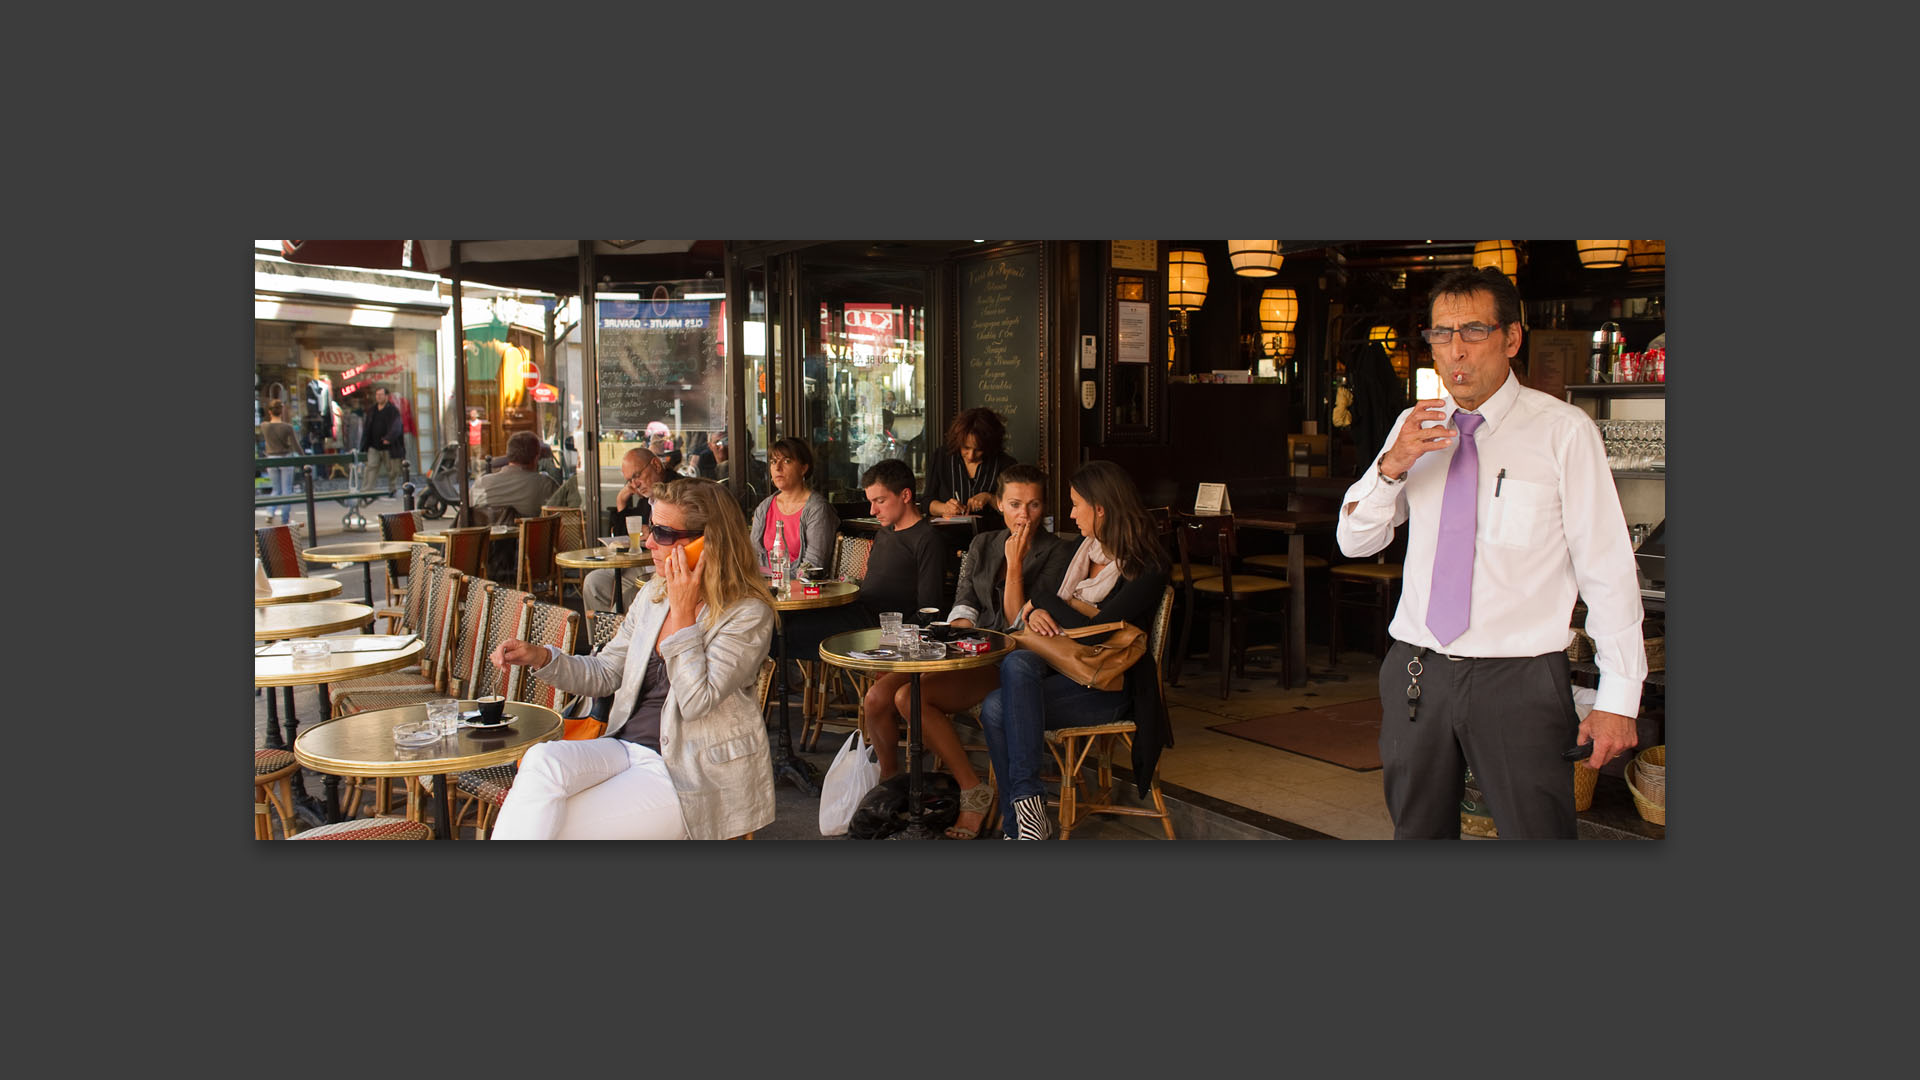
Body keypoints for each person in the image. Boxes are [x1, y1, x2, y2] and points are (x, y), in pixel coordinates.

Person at [1336, 267, 1645, 840]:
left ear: (1511, 338)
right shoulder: (1413, 426)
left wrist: (1619, 698)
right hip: (1417, 671)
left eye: (1473, 331)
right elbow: (1356, 542)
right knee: (1417, 835)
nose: (1455, 351)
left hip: (1521, 680)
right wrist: (1390, 467)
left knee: (1538, 836)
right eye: (1441, 333)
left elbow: (1607, 570)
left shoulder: (1564, 432)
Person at [486, 478, 778, 839]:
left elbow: (696, 701)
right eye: (651, 527)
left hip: (688, 772)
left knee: (554, 827)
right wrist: (543, 657)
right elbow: (606, 673)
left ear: (708, 542)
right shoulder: (654, 594)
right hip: (624, 746)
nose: (650, 541)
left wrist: (685, 617)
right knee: (542, 761)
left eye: (664, 533)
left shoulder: (747, 614)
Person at [866, 463, 1073, 839]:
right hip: (967, 648)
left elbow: (1021, 622)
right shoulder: (983, 543)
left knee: (909, 697)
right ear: (999, 503)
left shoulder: (1058, 551)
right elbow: (964, 600)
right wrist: (959, 637)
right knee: (877, 696)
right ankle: (891, 787)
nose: (1024, 515)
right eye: (1014, 504)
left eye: (1034, 505)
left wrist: (1015, 563)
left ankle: (971, 789)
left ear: (1045, 506)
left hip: (1011, 658)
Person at [979, 459, 1171, 839]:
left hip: (1109, 686)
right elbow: (1032, 614)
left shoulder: (1147, 565)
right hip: (1064, 674)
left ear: (1100, 508)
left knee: (997, 709)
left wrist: (1046, 603)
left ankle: (1019, 825)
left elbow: (1095, 633)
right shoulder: (1081, 553)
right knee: (1015, 669)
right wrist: (1037, 613)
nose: (1069, 513)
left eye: (1075, 504)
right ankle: (1028, 820)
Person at [584, 447, 664, 614]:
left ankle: (616, 636)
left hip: (661, 570)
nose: (635, 485)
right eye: (630, 481)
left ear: (656, 465)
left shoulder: (677, 492)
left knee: (623, 603)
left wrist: (654, 532)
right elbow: (626, 532)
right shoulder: (646, 500)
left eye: (636, 476)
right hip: (641, 566)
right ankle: (599, 640)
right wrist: (621, 501)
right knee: (594, 581)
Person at [748, 437, 839, 576]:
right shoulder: (765, 507)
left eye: (787, 461)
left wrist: (777, 580)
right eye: (773, 462)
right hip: (764, 587)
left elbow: (813, 566)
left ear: (803, 468)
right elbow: (752, 556)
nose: (777, 467)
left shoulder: (817, 509)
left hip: (798, 590)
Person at [923, 407, 1019, 532]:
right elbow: (926, 502)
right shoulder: (942, 457)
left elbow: (1016, 508)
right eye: (965, 448)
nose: (971, 455)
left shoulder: (1005, 463)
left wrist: (990, 498)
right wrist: (944, 508)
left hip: (992, 539)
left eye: (978, 450)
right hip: (947, 538)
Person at [470, 430, 560, 522]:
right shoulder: (545, 485)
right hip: (528, 536)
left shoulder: (481, 484)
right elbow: (563, 515)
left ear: (508, 455)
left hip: (485, 536)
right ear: (536, 458)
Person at [260, 399, 300, 524]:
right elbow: (296, 445)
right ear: (281, 411)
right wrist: (304, 459)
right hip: (286, 458)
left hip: (271, 459)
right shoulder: (287, 427)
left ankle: (270, 512)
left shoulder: (264, 426)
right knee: (286, 490)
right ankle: (284, 518)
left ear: (269, 412)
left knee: (276, 489)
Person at [360, 386, 407, 494]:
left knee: (392, 470)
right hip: (374, 445)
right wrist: (365, 443)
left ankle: (392, 489)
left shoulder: (392, 410)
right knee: (371, 467)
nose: (378, 397)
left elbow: (397, 426)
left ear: (386, 396)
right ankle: (367, 490)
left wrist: (389, 438)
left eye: (381, 395)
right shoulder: (372, 410)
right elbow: (367, 426)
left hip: (389, 446)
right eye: (377, 395)